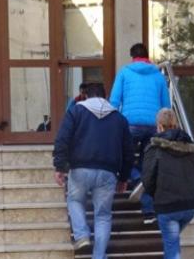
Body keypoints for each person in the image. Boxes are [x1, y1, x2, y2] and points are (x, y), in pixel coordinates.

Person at [53, 82, 134, 259]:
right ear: (105, 96)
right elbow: (128, 150)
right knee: (103, 215)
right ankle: (98, 256)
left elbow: (62, 139)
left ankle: (81, 234)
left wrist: (60, 166)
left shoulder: (75, 111)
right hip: (108, 172)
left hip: (80, 168)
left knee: (74, 200)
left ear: (85, 96)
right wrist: (124, 177)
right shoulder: (119, 118)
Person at [109, 42, 170, 222]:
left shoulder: (124, 72)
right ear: (147, 56)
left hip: (130, 124)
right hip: (153, 125)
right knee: (148, 165)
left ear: (132, 57)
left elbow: (114, 101)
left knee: (121, 156)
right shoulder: (158, 76)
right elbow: (166, 105)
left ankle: (136, 178)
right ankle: (149, 211)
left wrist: (113, 123)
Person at [142, 108, 194, 259]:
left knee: (172, 246)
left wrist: (155, 196)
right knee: (172, 243)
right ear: (175, 124)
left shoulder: (154, 148)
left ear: (159, 126)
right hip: (190, 206)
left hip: (167, 206)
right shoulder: (191, 148)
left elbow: (148, 180)